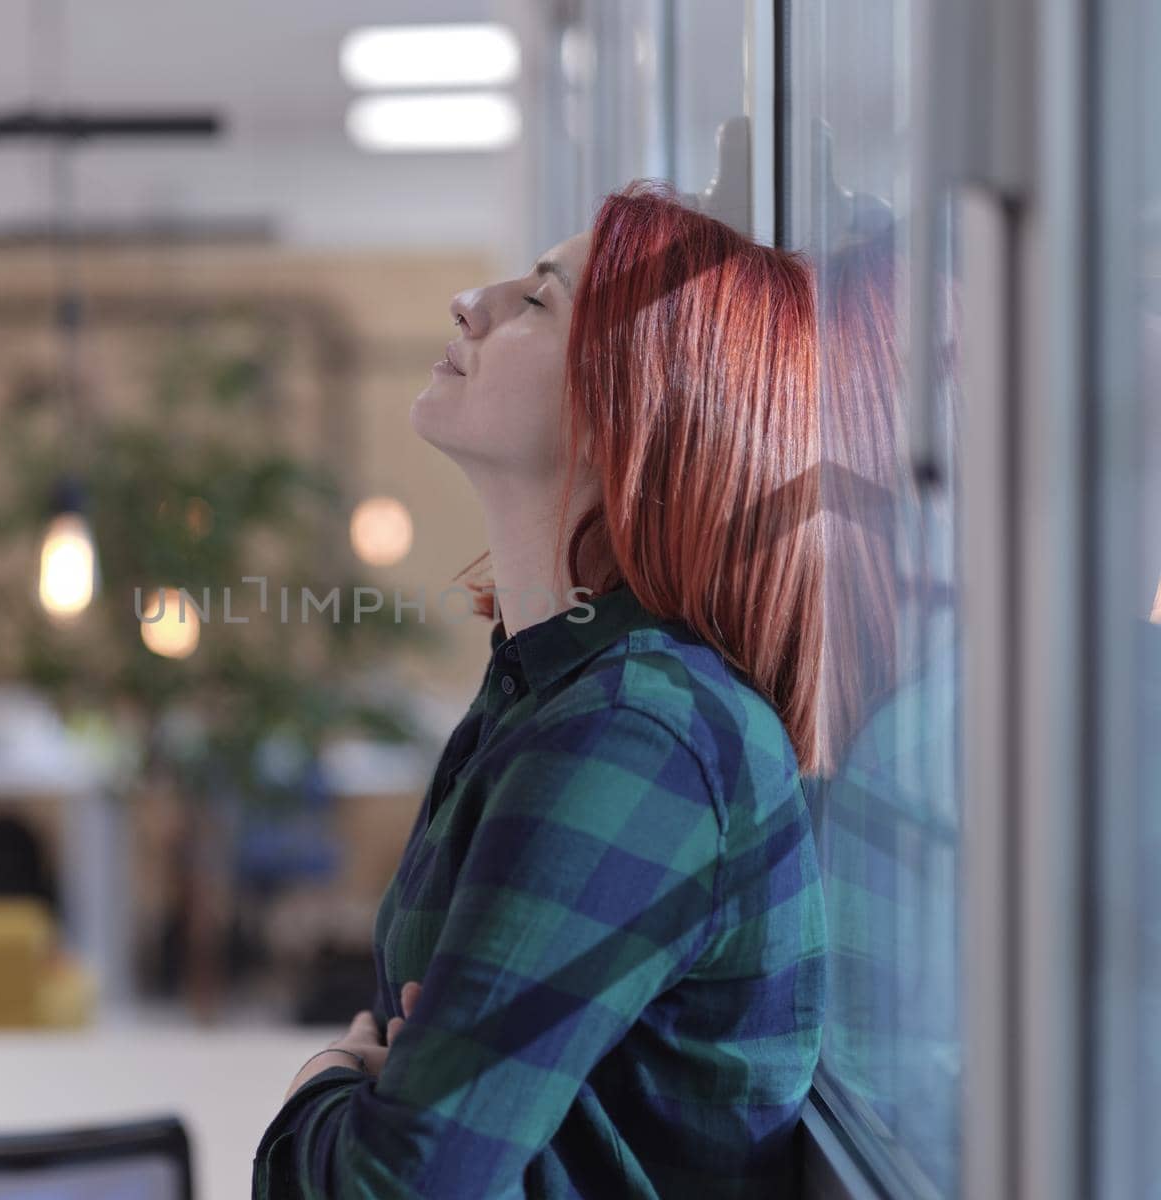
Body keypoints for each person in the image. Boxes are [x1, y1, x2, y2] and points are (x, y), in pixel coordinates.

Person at [253, 179, 828, 1198]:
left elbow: (390, 1187)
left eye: (536, 302)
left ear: (635, 411)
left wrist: (320, 1091)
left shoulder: (633, 735)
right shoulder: (542, 692)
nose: (470, 301)